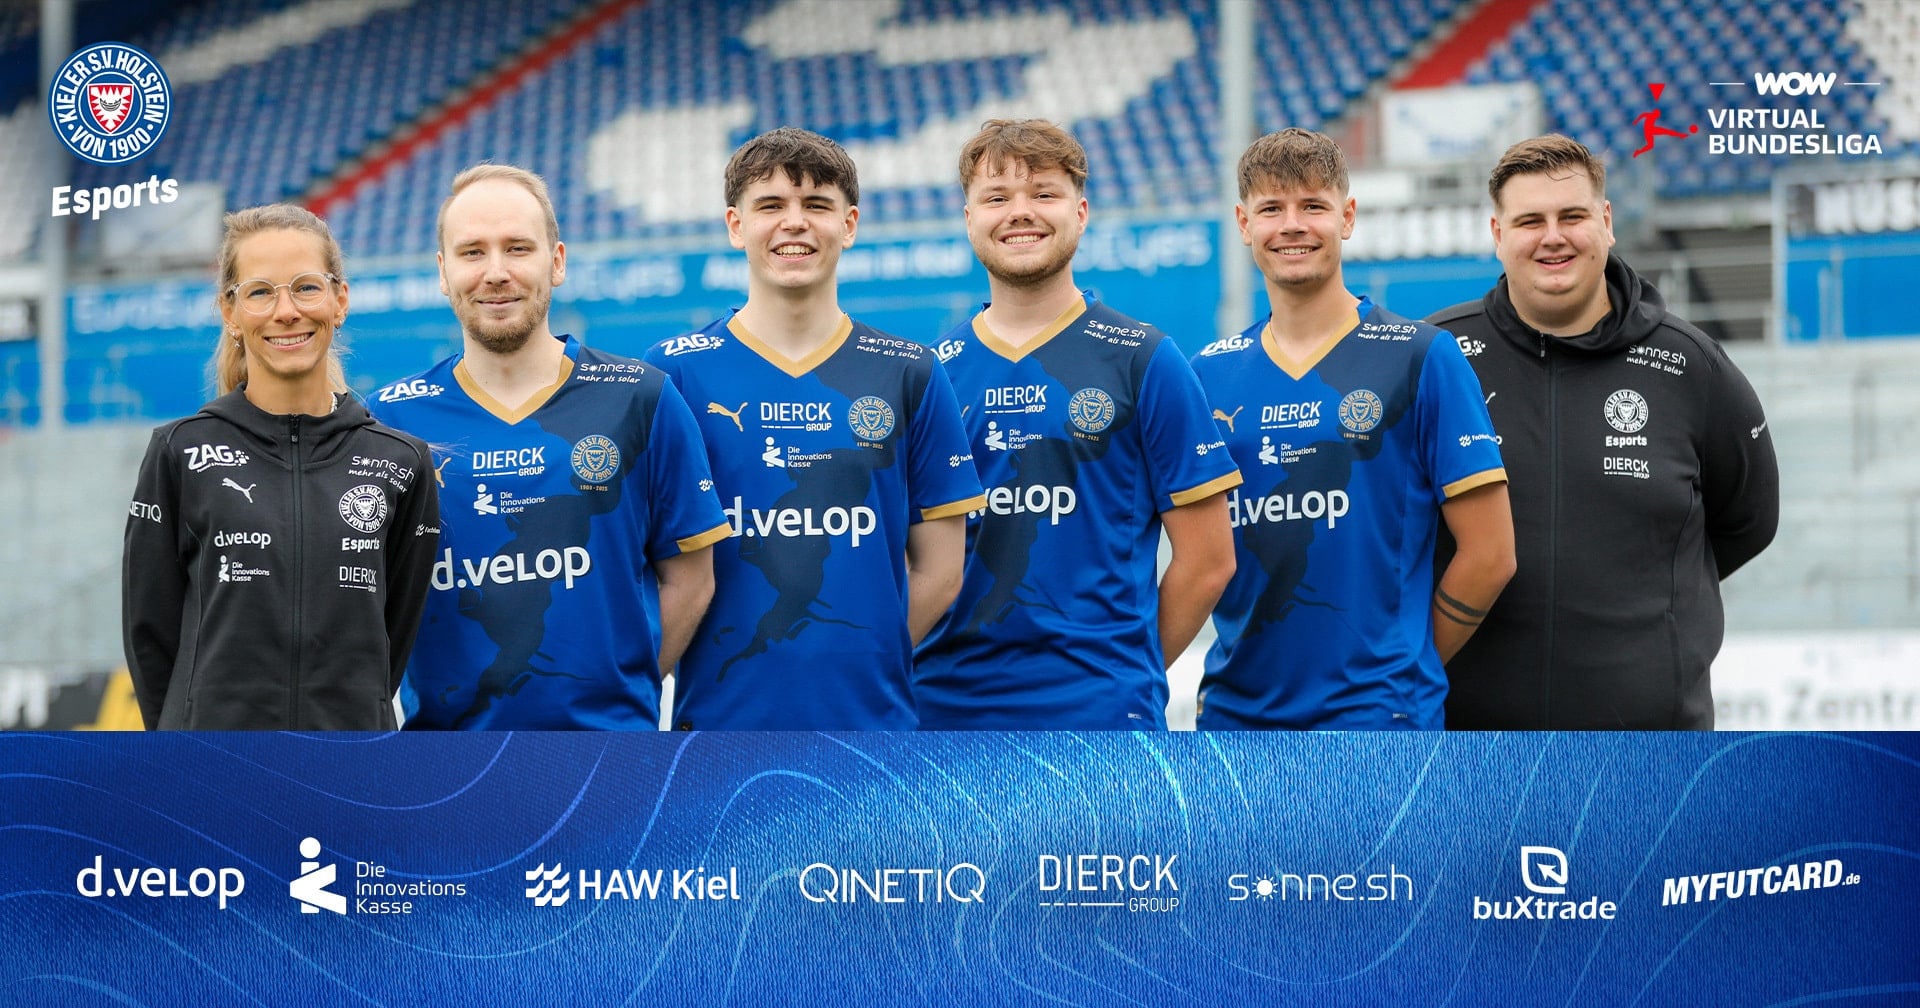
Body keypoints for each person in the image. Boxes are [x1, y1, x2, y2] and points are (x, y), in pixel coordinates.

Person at [1430, 134, 1779, 729]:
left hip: (1649, 748)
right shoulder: (1437, 357)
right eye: (1529, 221)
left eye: (1572, 216)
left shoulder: (1691, 365)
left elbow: (1750, 520)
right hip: (1469, 748)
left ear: (1606, 222)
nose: (1552, 237)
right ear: (1497, 235)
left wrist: (1652, 602)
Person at [644, 128, 983, 730]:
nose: (794, 223)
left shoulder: (909, 370)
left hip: (873, 729)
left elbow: (941, 571)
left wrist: (864, 660)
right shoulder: (674, 374)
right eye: (771, 205)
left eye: (817, 205)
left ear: (849, 225)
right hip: (717, 730)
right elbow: (651, 570)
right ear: (735, 225)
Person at [370, 164, 728, 730]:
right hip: (448, 762)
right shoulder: (390, 421)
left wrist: (619, 692)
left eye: (518, 248)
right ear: (443, 272)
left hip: (611, 752)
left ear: (556, 261)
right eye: (472, 252)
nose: (496, 273)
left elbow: (691, 578)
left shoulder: (641, 397)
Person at [912, 119, 1241, 729]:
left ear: (1081, 212)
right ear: (969, 218)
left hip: (1101, 716)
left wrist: (1124, 674)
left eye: (1044, 193)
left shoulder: (1143, 359)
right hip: (945, 716)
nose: (1021, 212)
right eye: (997, 197)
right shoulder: (930, 375)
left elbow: (1209, 559)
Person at [1189, 128, 1515, 730]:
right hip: (1235, 720)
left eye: (1313, 205)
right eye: (1271, 209)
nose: (1292, 225)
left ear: (1347, 217)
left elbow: (1491, 554)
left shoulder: (1421, 355)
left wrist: (1410, 668)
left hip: (1379, 719)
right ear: (1243, 223)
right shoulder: (1206, 374)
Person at [122, 204, 439, 730]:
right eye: (261, 292)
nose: (286, 311)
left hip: (349, 763)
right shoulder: (180, 451)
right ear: (230, 312)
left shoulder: (402, 462)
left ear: (340, 300)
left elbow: (393, 638)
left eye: (306, 288)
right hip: (213, 760)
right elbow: (149, 636)